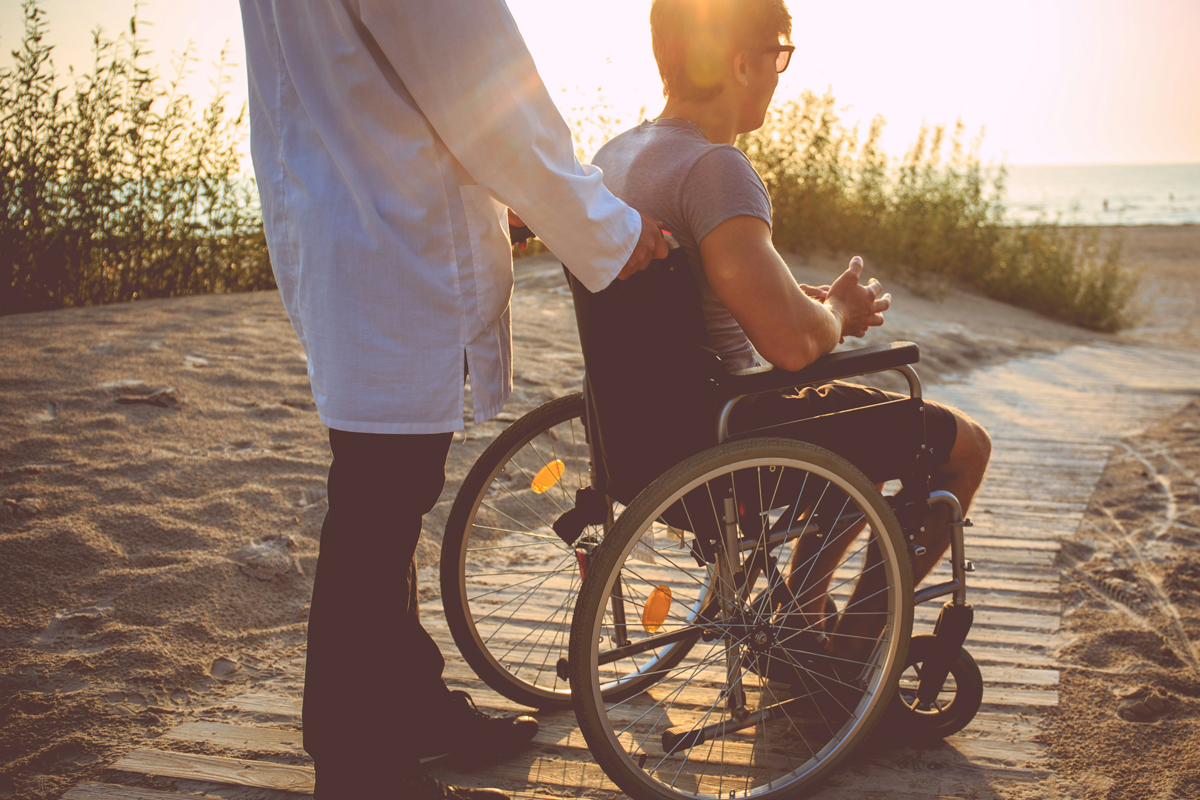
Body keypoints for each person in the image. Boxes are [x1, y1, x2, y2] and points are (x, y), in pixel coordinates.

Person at [239, 2, 668, 799]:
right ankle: (359, 764)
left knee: (385, 494)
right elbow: (481, 84)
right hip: (390, 238)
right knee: (377, 504)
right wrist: (604, 225)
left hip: (341, 219)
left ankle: (404, 710)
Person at [590, 0, 992, 668]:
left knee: (846, 423)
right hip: (727, 436)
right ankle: (856, 654)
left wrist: (795, 300)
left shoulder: (616, 155)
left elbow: (688, 293)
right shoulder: (714, 168)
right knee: (965, 447)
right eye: (779, 54)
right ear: (742, 61)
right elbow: (792, 347)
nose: (781, 72)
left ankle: (802, 612)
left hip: (637, 440)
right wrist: (838, 313)